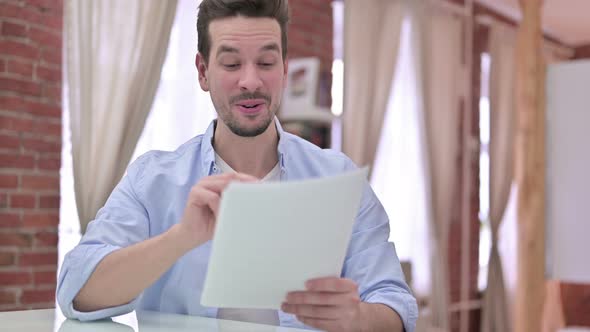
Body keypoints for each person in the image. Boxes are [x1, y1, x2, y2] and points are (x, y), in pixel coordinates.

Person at [57, 1, 418, 331]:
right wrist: (182, 238)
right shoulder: (152, 179)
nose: (251, 81)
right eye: (231, 64)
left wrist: (357, 317)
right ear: (202, 72)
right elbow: (76, 290)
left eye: (266, 62)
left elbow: (396, 307)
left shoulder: (340, 180)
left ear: (284, 69)